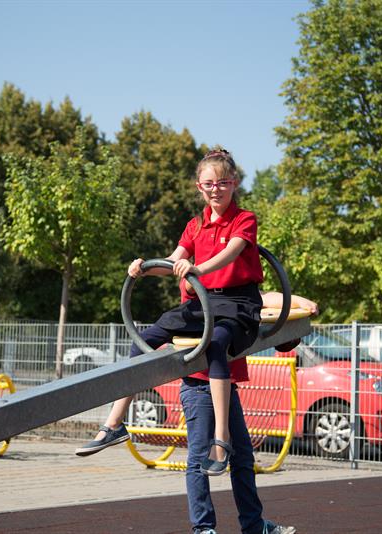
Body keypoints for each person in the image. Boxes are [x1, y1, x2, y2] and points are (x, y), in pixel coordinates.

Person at [76, 147, 297, 534]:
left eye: (223, 183)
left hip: (236, 306)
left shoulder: (244, 219)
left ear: (234, 184)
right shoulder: (194, 226)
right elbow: (174, 259)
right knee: (145, 338)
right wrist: (144, 268)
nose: (216, 190)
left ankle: (222, 442)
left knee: (217, 347)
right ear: (199, 187)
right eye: (209, 184)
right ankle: (114, 423)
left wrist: (196, 269)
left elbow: (231, 254)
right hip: (202, 305)